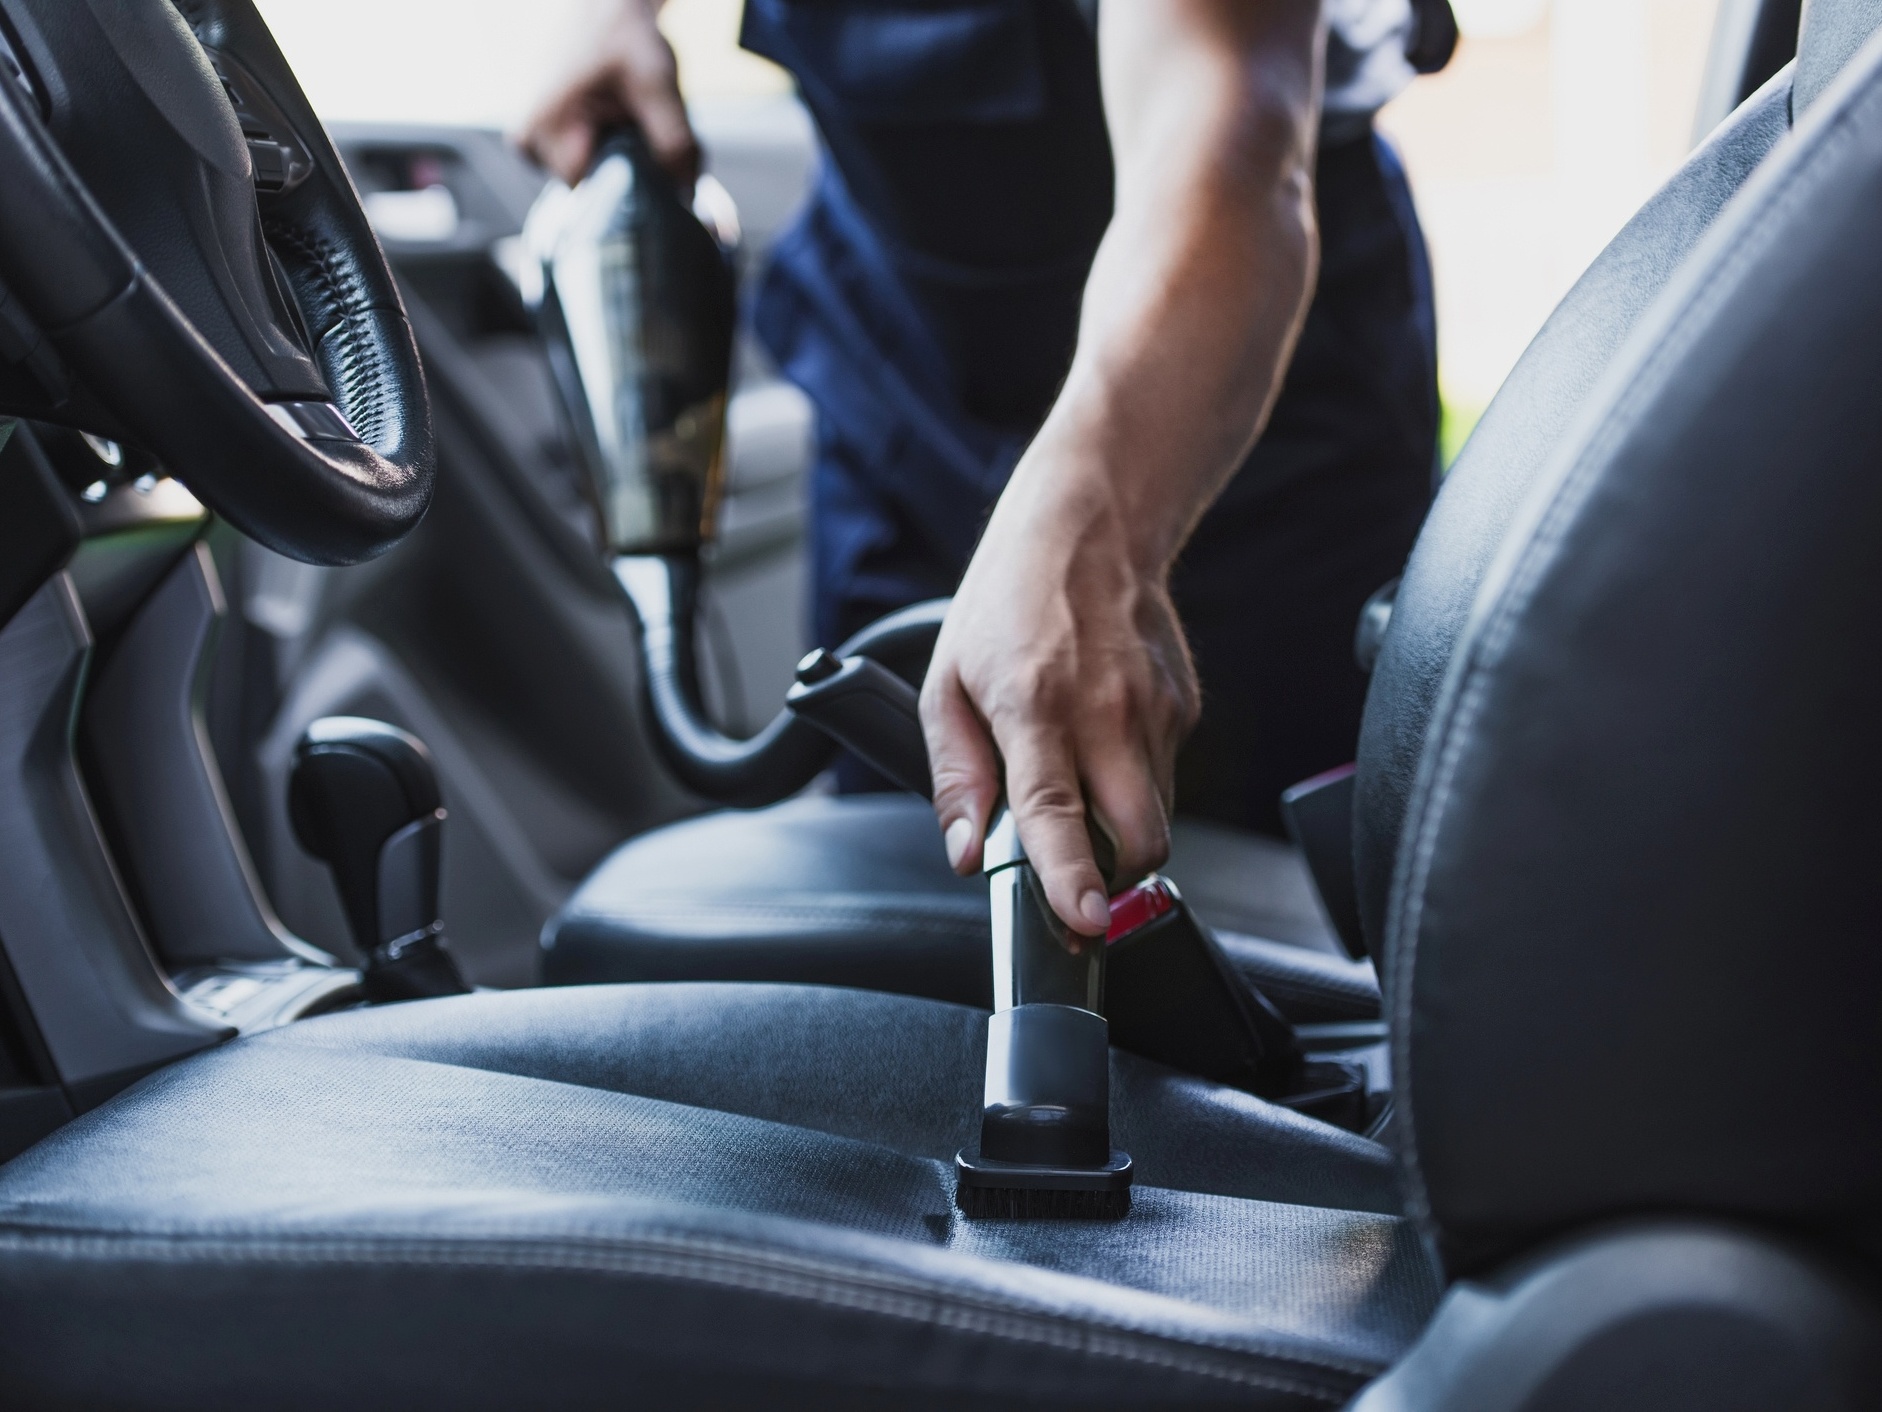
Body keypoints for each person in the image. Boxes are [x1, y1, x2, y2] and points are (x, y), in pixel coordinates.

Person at [527, 0, 1446, 938]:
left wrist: (1100, 528)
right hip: (902, 345)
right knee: (911, 883)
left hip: (1235, 388)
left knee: (1285, 940)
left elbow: (1226, 133)